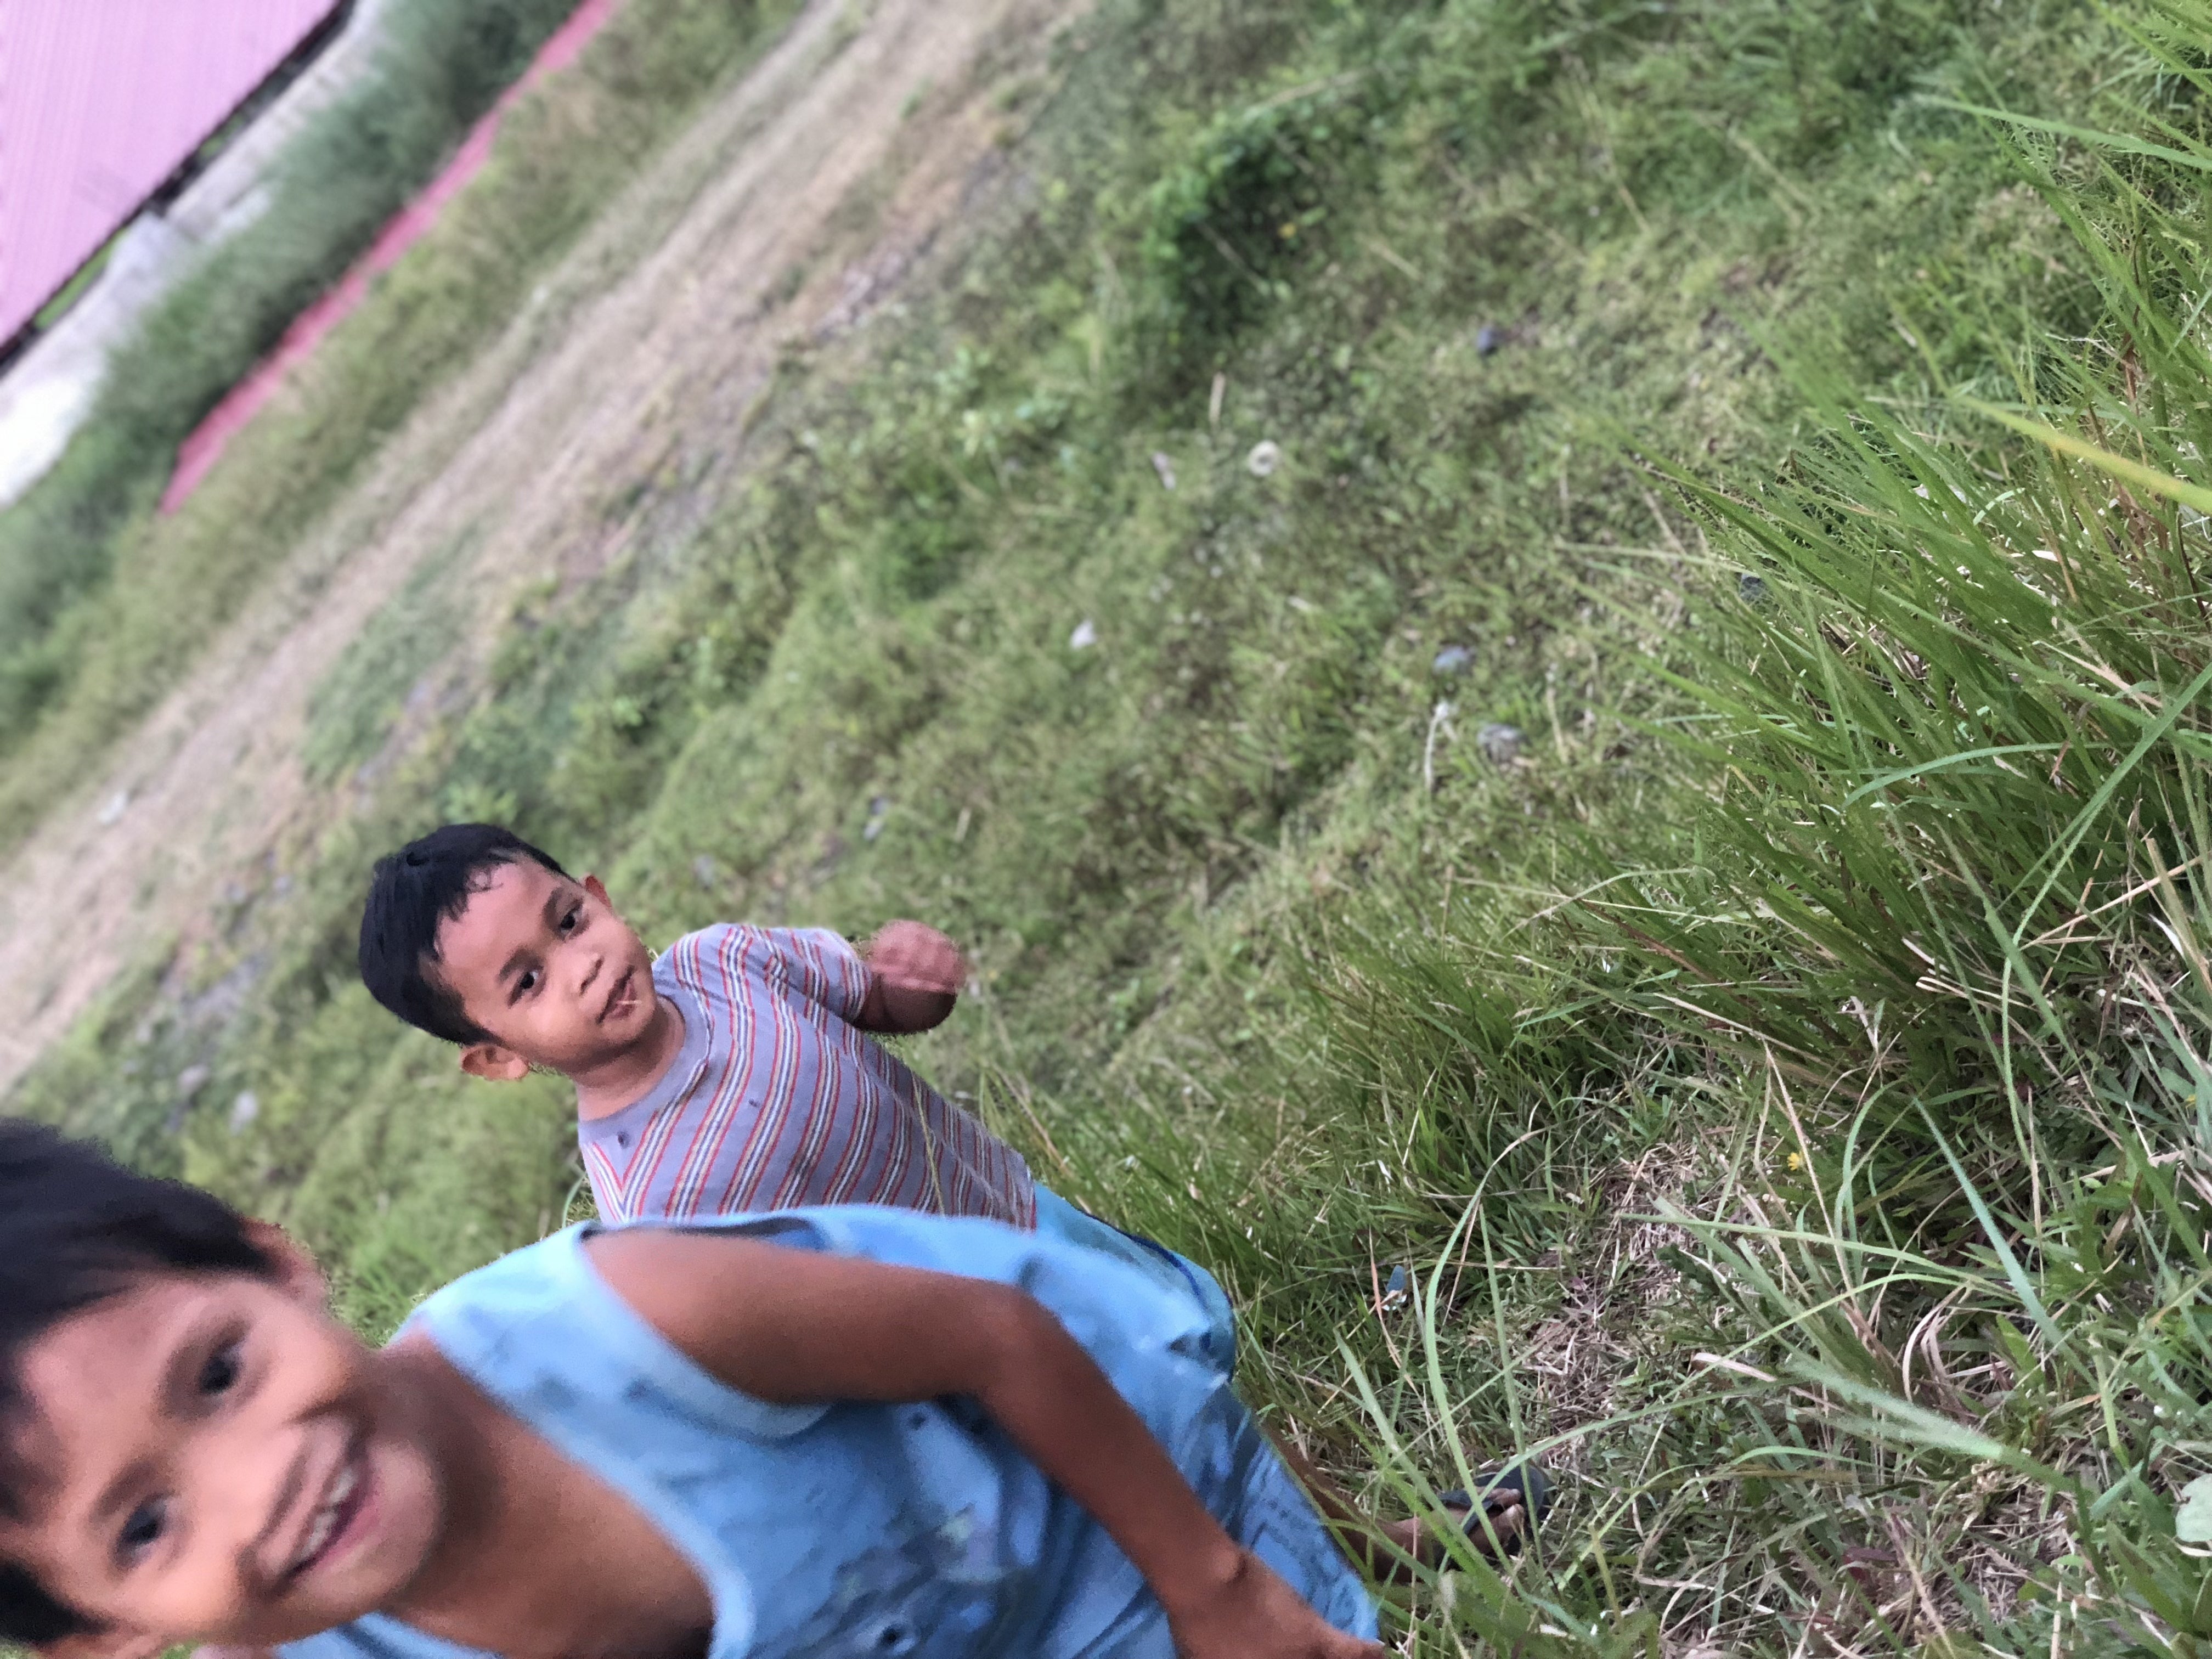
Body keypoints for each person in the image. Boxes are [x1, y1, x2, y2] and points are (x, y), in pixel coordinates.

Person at [353, 826, 1544, 1575]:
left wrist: (917, 987)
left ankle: (1361, 1544)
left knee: (1196, 1394)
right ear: (497, 1057)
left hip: (1024, 1225)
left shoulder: (728, 962)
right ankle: (1301, 1582)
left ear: (597, 889)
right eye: (529, 981)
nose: (583, 964)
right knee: (1139, 1475)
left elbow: (876, 1004)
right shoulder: (651, 1210)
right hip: (957, 1366)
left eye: (570, 920)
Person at [0, 1121, 1379, 1659]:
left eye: (220, 1374)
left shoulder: (628, 1322)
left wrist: (1216, 1589)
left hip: (1105, 1525)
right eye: (145, 1527)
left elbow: (998, 1337)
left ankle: (1346, 1548)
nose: (259, 1487)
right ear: (100, 1638)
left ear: (275, 1265)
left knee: (1289, 1604)